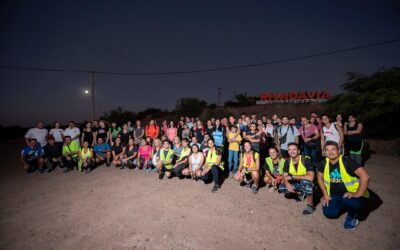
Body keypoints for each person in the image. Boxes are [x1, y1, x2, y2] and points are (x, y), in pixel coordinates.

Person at [317, 141, 370, 230]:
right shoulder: (323, 163)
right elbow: (319, 178)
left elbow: (365, 177)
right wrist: (325, 194)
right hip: (335, 195)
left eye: (333, 149)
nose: (330, 152)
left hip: (351, 194)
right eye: (327, 150)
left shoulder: (347, 161)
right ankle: (343, 205)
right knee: (329, 214)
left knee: (349, 201)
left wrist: (357, 194)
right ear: (324, 152)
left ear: (339, 150)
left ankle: (352, 216)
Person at [279, 143, 315, 215]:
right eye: (290, 150)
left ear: (298, 151)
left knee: (305, 182)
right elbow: (284, 176)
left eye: (294, 149)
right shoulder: (288, 161)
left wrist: (293, 177)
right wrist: (287, 183)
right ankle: (300, 193)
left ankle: (310, 205)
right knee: (282, 187)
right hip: (297, 183)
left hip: (309, 183)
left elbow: (311, 177)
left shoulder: (306, 159)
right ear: (288, 151)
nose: (292, 151)